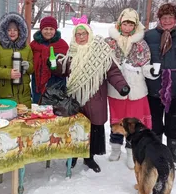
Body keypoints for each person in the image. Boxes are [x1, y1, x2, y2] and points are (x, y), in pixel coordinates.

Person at [55, 15, 130, 173]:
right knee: (76, 128)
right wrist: (54, 65)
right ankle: (74, 155)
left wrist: (122, 85)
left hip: (96, 97)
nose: (81, 37)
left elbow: (113, 71)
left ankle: (89, 158)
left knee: (93, 129)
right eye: (78, 34)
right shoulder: (72, 52)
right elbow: (63, 70)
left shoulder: (100, 52)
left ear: (89, 34)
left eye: (84, 34)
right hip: (75, 98)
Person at [106, 8, 158, 169]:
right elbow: (105, 63)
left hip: (136, 89)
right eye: (125, 24)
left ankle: (131, 152)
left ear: (135, 26)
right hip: (117, 89)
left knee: (133, 123)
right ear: (119, 24)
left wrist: (151, 71)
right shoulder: (110, 42)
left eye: (130, 25)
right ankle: (115, 148)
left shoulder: (141, 44)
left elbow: (145, 64)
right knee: (116, 120)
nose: (127, 27)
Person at [144, 3, 176, 168]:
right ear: (159, 19)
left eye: (170, 17)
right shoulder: (149, 36)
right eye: (164, 18)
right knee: (155, 125)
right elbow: (140, 56)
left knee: (174, 124)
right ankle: (158, 156)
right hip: (154, 88)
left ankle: (172, 156)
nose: (167, 21)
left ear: (175, 18)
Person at [0, 12, 34, 107]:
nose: (12, 32)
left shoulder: (26, 47)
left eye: (15, 30)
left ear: (20, 31)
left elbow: (32, 68)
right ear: (4, 32)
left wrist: (28, 66)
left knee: (26, 120)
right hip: (5, 94)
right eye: (9, 30)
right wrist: (8, 73)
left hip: (24, 96)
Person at [30, 16, 69, 103]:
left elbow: (67, 66)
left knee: (55, 111)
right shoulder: (34, 45)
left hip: (56, 85)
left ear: (55, 30)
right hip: (38, 85)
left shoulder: (62, 45)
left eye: (51, 29)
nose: (48, 32)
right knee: (39, 111)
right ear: (41, 29)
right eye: (46, 29)